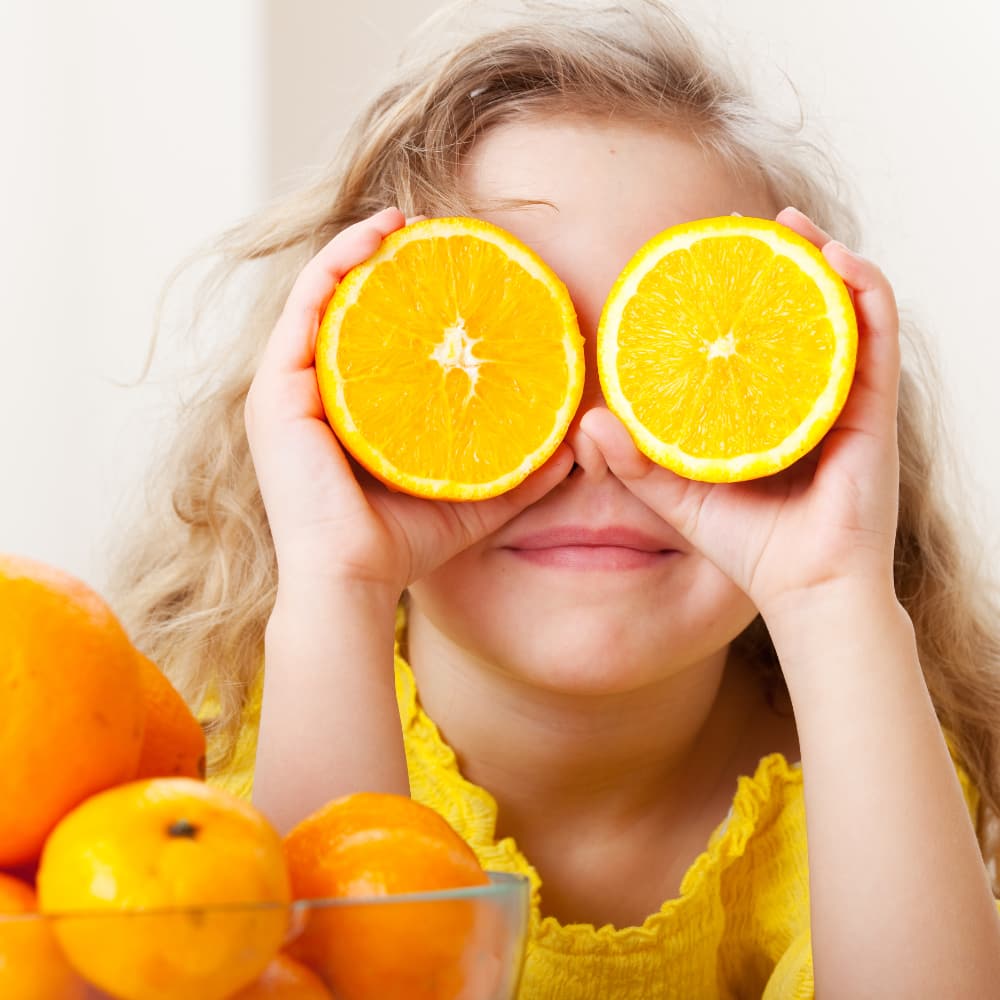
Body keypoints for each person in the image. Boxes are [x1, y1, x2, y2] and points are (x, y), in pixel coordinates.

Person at [108, 1, 1000, 995]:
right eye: (509, 369)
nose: (594, 446)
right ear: (349, 397)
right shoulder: (197, 797)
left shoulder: (873, 786)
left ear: (812, 407)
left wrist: (834, 590)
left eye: (662, 367)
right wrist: (334, 578)